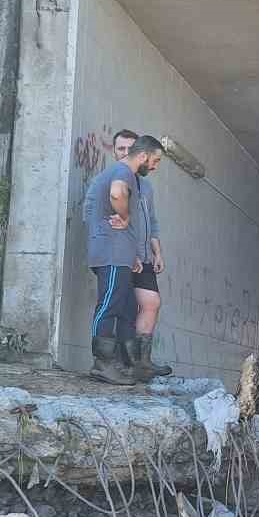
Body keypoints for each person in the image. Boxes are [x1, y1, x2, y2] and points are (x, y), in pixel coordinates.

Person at [81, 135, 164, 384]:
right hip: (111, 251)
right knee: (109, 306)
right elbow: (117, 194)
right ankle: (102, 364)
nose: (155, 166)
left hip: (122, 253)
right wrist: (125, 215)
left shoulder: (131, 176)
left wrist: (134, 254)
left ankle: (125, 364)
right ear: (143, 156)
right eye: (155, 160)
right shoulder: (123, 172)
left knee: (124, 308)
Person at [112, 130, 173, 380]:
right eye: (120, 149)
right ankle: (126, 362)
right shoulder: (116, 180)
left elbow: (152, 222)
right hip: (125, 255)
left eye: (129, 148)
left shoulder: (145, 186)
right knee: (124, 308)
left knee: (152, 303)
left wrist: (157, 252)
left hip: (145, 256)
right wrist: (129, 252)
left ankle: (143, 360)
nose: (125, 153)